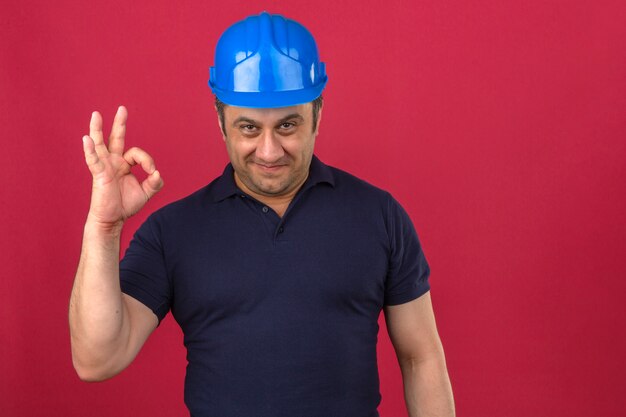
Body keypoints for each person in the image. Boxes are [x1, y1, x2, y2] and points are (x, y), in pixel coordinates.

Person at [69, 12, 455, 417]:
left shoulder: (380, 216)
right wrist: (104, 227)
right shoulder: (173, 233)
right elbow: (97, 360)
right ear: (221, 123)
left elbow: (420, 357)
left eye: (287, 125)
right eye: (249, 128)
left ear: (317, 116)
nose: (269, 151)